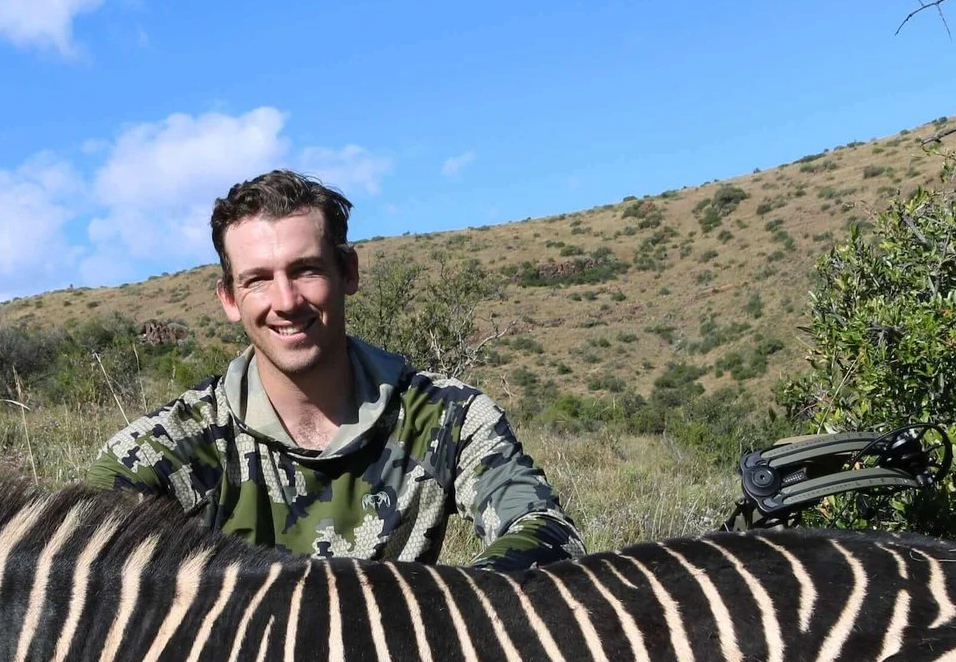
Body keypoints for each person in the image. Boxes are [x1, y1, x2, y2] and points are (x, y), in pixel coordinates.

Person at [87, 169, 585, 571]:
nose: (285, 301)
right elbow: (77, 567)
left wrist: (441, 612)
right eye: (258, 280)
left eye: (306, 270)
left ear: (348, 272)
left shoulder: (447, 417)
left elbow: (543, 528)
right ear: (229, 299)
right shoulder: (162, 448)